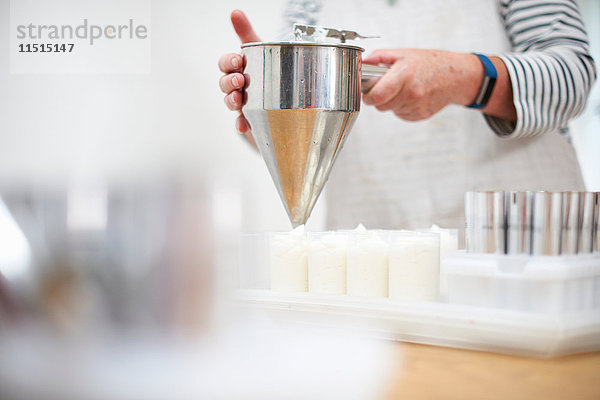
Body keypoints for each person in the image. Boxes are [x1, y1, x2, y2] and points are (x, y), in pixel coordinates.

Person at [218, 0, 596, 232]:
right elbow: (298, 124)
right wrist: (266, 102)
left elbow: (572, 74)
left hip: (519, 246)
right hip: (368, 251)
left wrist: (461, 77)